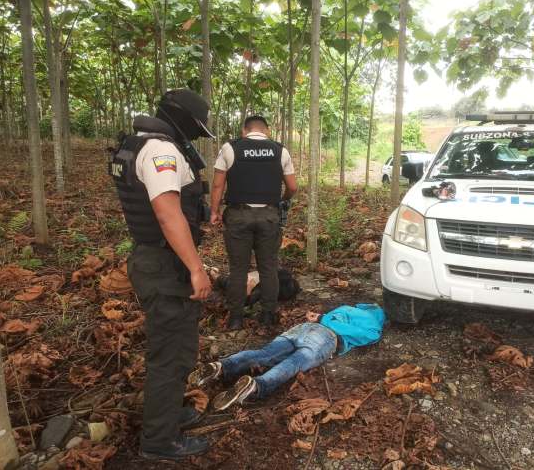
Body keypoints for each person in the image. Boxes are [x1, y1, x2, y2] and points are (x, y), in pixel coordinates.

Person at [109, 88, 214, 460]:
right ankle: (159, 441)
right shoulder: (161, 151)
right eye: (197, 129)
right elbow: (169, 214)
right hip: (165, 264)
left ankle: (167, 417)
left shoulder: (135, 144)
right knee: (172, 354)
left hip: (153, 258)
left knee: (175, 348)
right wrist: (196, 269)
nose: (197, 137)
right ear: (183, 120)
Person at [190, 304, 385, 409]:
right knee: (295, 362)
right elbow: (371, 335)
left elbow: (325, 318)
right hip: (325, 337)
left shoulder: (345, 308)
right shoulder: (373, 323)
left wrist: (321, 318)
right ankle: (257, 386)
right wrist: (325, 320)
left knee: (265, 353)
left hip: (302, 329)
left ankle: (222, 366)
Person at [209, 116, 297, 331]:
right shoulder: (280, 150)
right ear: (266, 131)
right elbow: (293, 187)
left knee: (238, 269)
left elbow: (218, 185)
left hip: (238, 216)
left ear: (244, 131)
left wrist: (214, 211)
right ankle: (268, 315)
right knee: (268, 267)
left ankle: (236, 318)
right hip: (269, 216)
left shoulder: (230, 148)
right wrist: (282, 200)